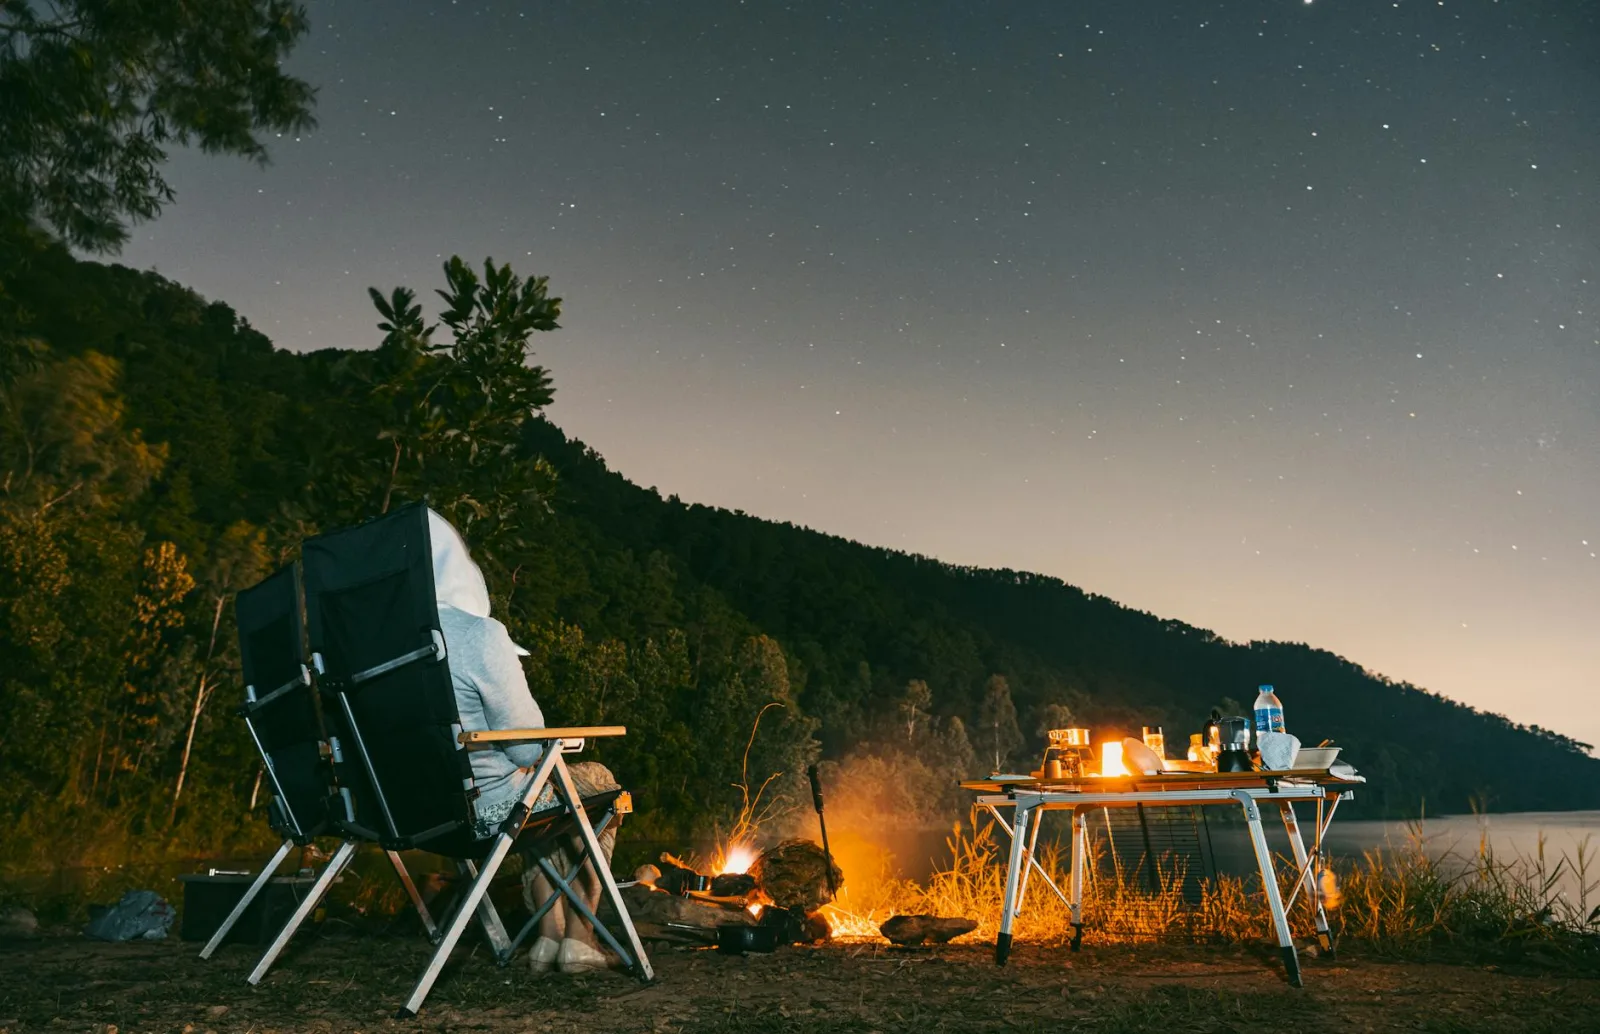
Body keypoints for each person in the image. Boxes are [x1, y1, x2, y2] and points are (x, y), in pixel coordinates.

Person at [429, 508, 620, 975]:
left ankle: (547, 939)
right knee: (591, 780)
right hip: (486, 809)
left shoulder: (376, 649)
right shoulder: (478, 635)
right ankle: (580, 935)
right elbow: (527, 749)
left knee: (540, 790)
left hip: (421, 810)